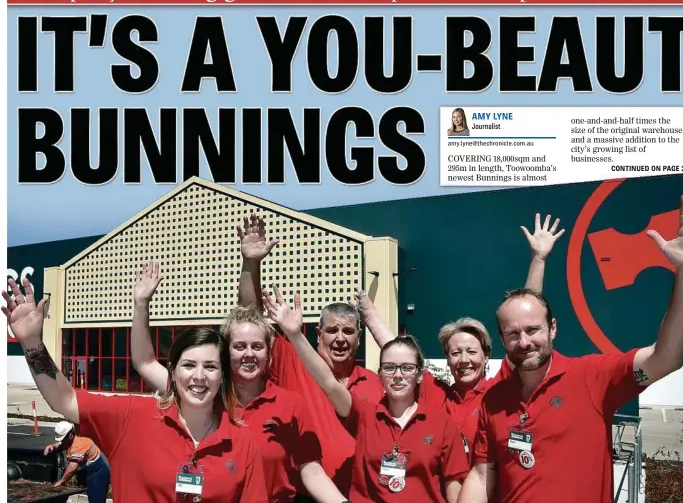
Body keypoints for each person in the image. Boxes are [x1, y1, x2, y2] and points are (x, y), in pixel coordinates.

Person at [458, 192, 683, 503]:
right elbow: (480, 476)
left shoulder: (592, 378)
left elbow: (667, 357)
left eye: (533, 330)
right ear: (502, 341)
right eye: (513, 334)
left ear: (553, 328)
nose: (525, 341)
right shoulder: (494, 400)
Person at [2, 278, 267, 503]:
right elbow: (64, 398)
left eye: (210, 366)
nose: (199, 376)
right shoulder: (132, 417)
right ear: (173, 372)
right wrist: (32, 343)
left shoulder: (241, 442)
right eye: (189, 365)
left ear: (222, 375)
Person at [130, 262, 349, 503]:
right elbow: (145, 363)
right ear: (226, 352)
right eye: (239, 347)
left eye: (257, 346)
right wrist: (141, 304)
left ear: (269, 353)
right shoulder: (203, 394)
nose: (249, 354)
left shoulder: (291, 405)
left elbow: (312, 471)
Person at [358, 213, 565, 465]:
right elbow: (397, 353)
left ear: (486, 354)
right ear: (447, 358)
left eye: (471, 351)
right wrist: (369, 315)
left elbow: (528, 313)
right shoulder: (437, 396)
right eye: (455, 353)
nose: (464, 360)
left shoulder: (498, 391)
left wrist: (538, 260)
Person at [264, 288, 469, 503]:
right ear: (380, 375)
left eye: (407, 368)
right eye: (389, 368)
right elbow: (329, 383)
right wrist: (295, 335)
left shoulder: (442, 424)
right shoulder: (365, 416)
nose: (398, 375)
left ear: (419, 375)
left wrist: (371, 315)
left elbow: (454, 489)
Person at [237, 214, 384, 496]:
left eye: (348, 331)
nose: (340, 338)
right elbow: (249, 320)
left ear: (359, 337)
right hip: (301, 495)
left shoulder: (374, 382)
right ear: (318, 334)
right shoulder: (291, 360)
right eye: (332, 330)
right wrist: (251, 264)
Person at [44, 421, 110, 503]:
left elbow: (72, 467)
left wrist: (61, 482)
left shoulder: (79, 443)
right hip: (87, 470)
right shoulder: (71, 439)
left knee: (96, 500)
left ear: (70, 435)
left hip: (97, 473)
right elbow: (63, 444)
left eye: (63, 439)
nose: (62, 441)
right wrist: (53, 446)